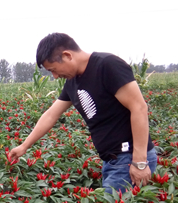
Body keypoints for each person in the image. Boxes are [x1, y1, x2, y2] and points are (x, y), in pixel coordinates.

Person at [9, 33, 157, 194]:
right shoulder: (72, 82)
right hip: (113, 160)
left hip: (129, 158)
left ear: (67, 55)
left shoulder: (107, 65)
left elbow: (139, 108)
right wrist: (24, 146)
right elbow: (51, 114)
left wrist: (140, 162)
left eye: (53, 69)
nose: (55, 76)